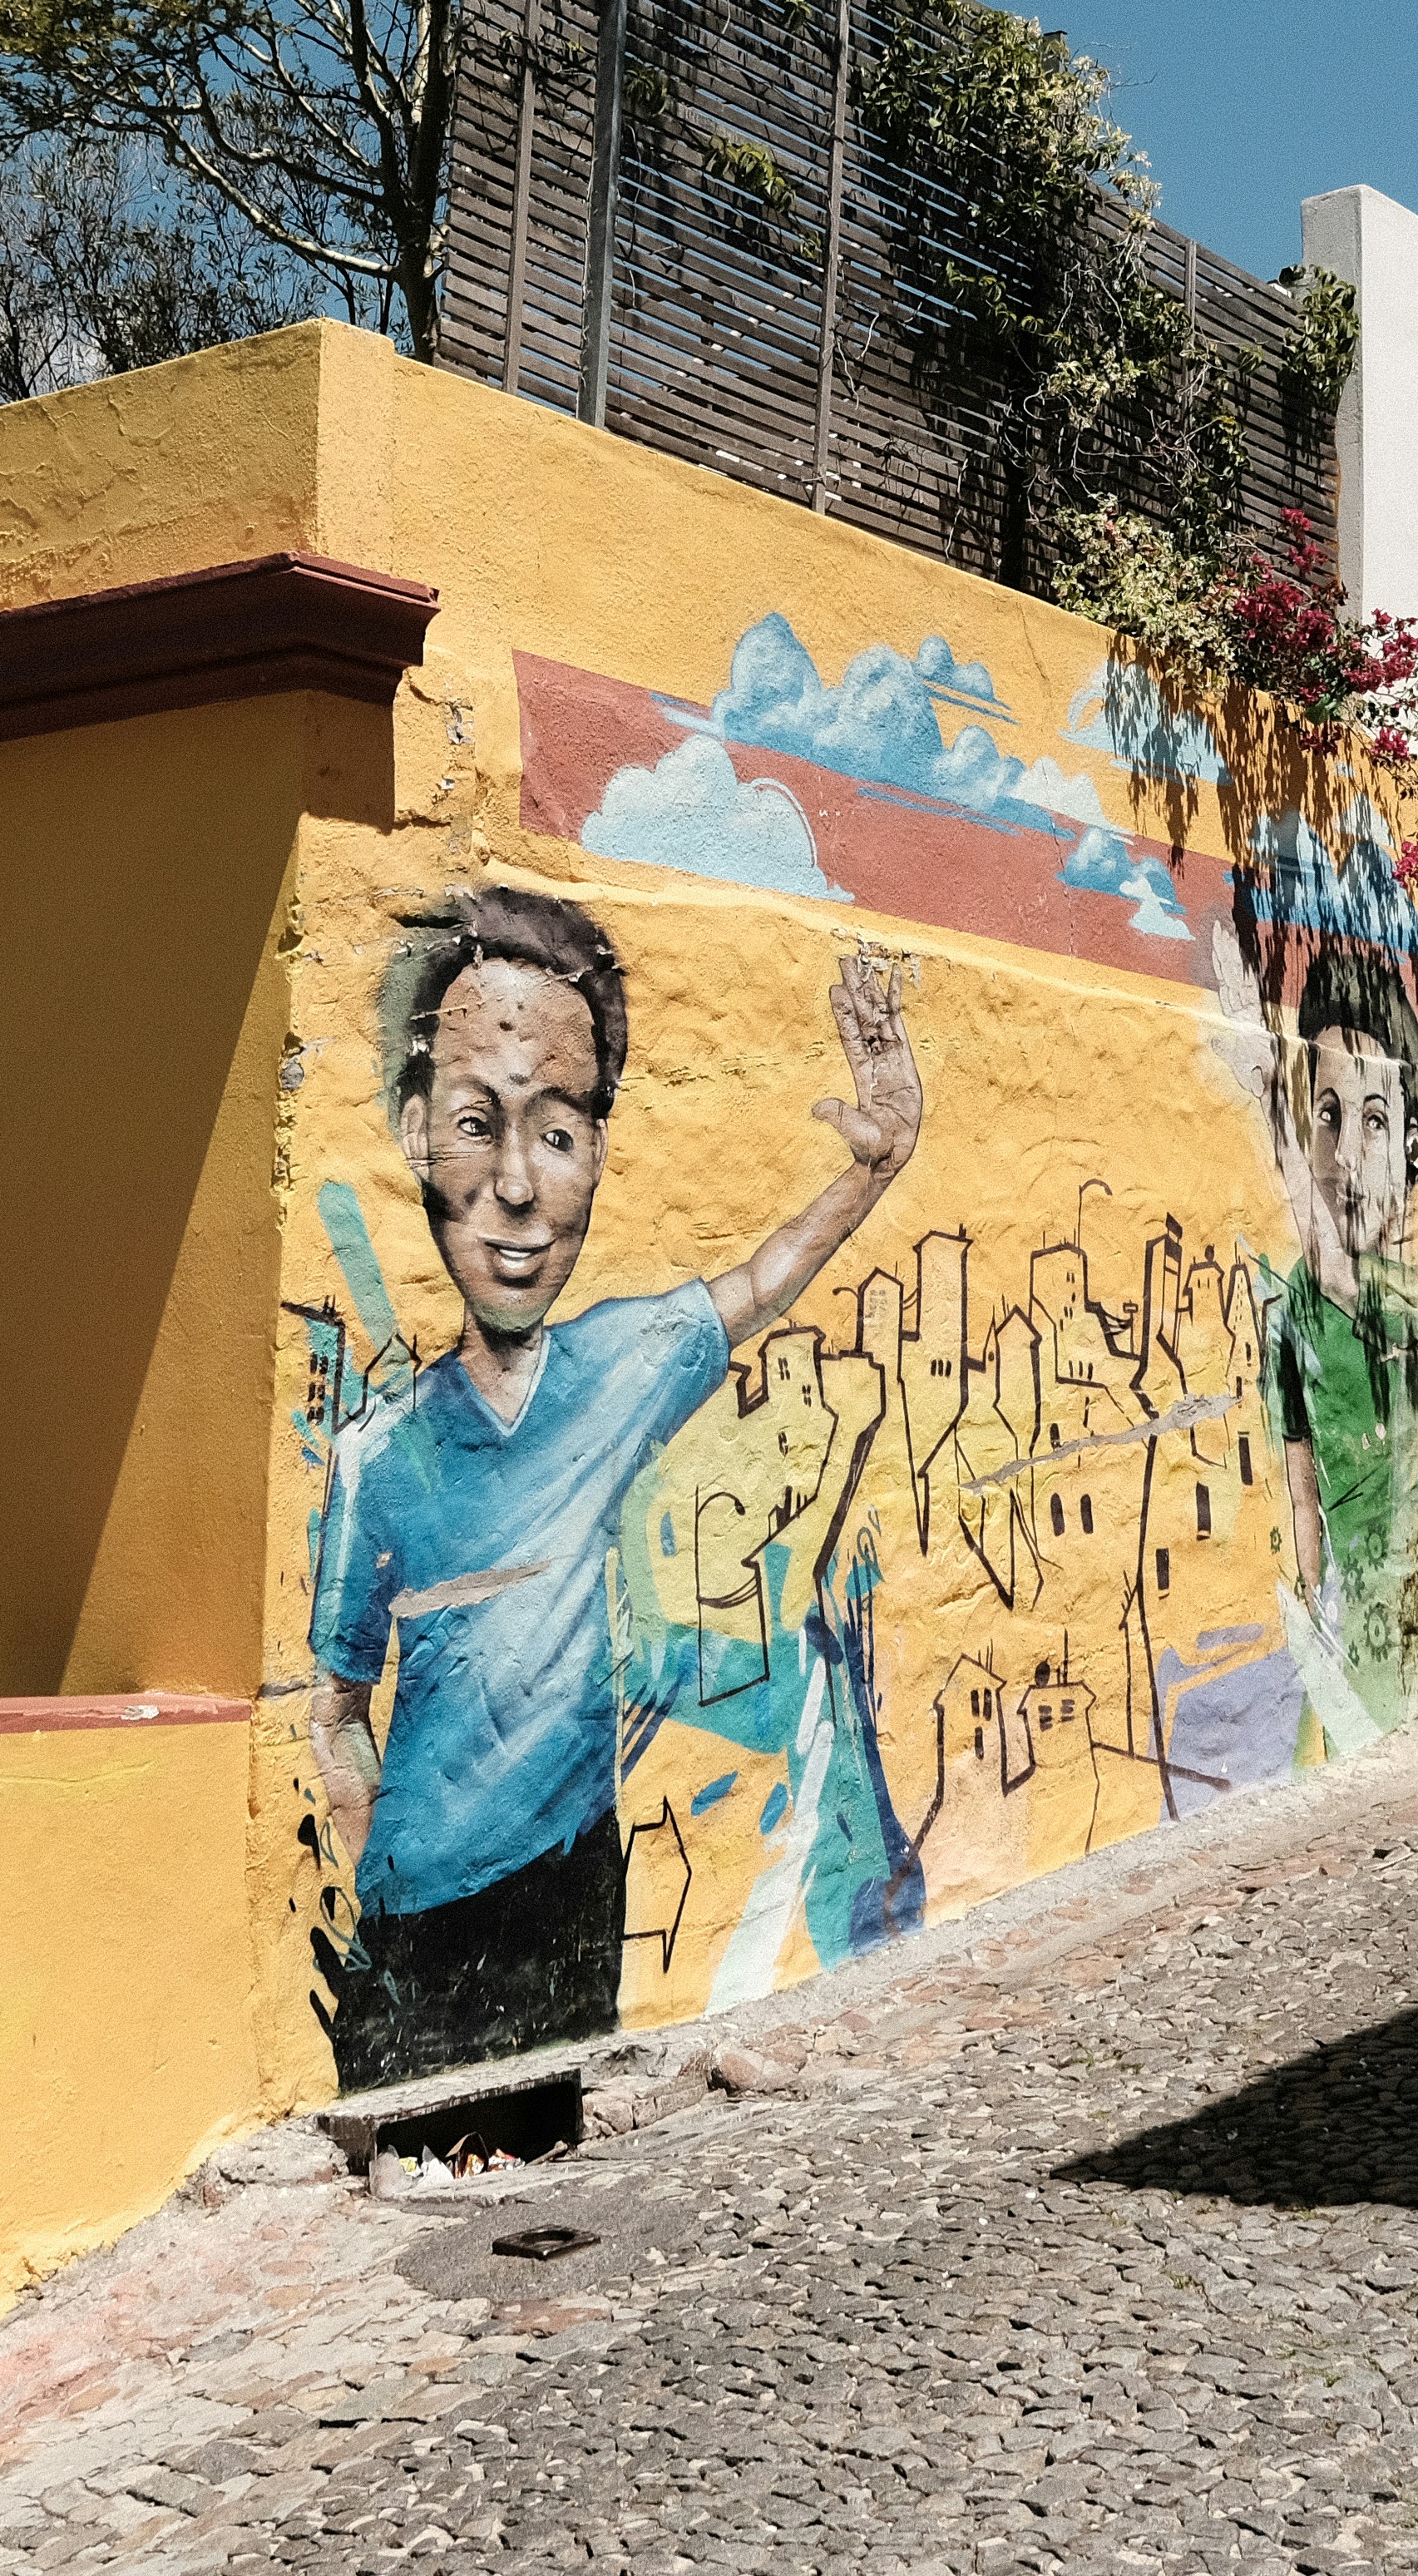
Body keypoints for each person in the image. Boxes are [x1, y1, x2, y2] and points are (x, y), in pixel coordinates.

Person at [309, 884, 921, 2083]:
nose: (520, 1191)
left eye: (559, 1132)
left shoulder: (620, 1365)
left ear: (599, 1147)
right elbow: (336, 1706)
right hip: (415, 1915)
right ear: (409, 1126)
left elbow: (759, 1285)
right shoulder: (374, 1458)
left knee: (550, 2147)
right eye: (476, 1124)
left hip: (577, 1876)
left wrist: (875, 1170)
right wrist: (378, 1866)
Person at [1210, 918, 1418, 1745]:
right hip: (1355, 1644)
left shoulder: (1415, 1303)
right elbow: (1300, 1491)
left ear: (1410, 1141)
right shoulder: (1300, 1308)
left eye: (1372, 1118)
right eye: (1325, 1114)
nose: (1342, 1149)